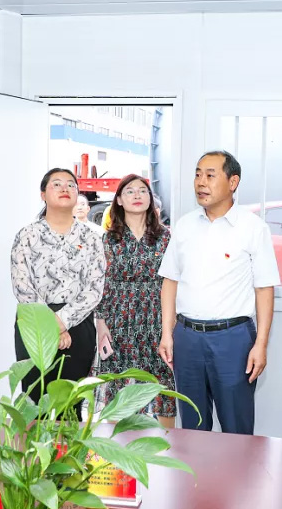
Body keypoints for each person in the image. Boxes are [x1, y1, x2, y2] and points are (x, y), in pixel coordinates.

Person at [158, 151, 280, 434]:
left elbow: (264, 289)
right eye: (198, 174)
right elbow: (170, 281)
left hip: (233, 339)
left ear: (233, 182)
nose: (201, 182)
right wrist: (167, 333)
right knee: (192, 425)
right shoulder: (185, 225)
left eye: (210, 175)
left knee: (236, 427)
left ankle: (238, 467)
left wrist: (261, 344)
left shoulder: (253, 228)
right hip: (187, 337)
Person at [10, 168, 105, 412]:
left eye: (71, 185)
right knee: (35, 404)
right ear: (43, 194)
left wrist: (62, 321)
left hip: (78, 324)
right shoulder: (27, 235)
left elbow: (94, 287)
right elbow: (22, 285)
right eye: (57, 184)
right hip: (34, 323)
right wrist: (51, 324)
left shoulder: (92, 238)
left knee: (71, 407)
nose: (65, 188)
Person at [94, 175, 176, 429]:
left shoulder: (166, 238)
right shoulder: (108, 239)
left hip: (156, 317)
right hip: (118, 319)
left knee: (162, 385)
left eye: (143, 190)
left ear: (151, 199)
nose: (137, 195)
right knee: (119, 387)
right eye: (129, 191)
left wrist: (169, 327)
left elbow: (172, 284)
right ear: (119, 200)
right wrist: (101, 324)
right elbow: (102, 284)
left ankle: (166, 445)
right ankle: (118, 446)